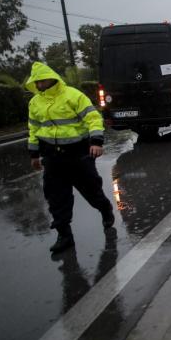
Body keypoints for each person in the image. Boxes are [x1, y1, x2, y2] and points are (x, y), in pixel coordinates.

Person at [26, 62, 115, 253]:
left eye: (42, 81)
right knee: (56, 198)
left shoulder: (73, 95)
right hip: (52, 157)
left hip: (78, 154)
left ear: (52, 77)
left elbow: (93, 118)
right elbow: (34, 129)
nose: (40, 85)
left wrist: (96, 142)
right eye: (37, 82)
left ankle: (105, 209)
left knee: (92, 190)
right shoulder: (35, 103)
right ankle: (64, 236)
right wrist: (34, 154)